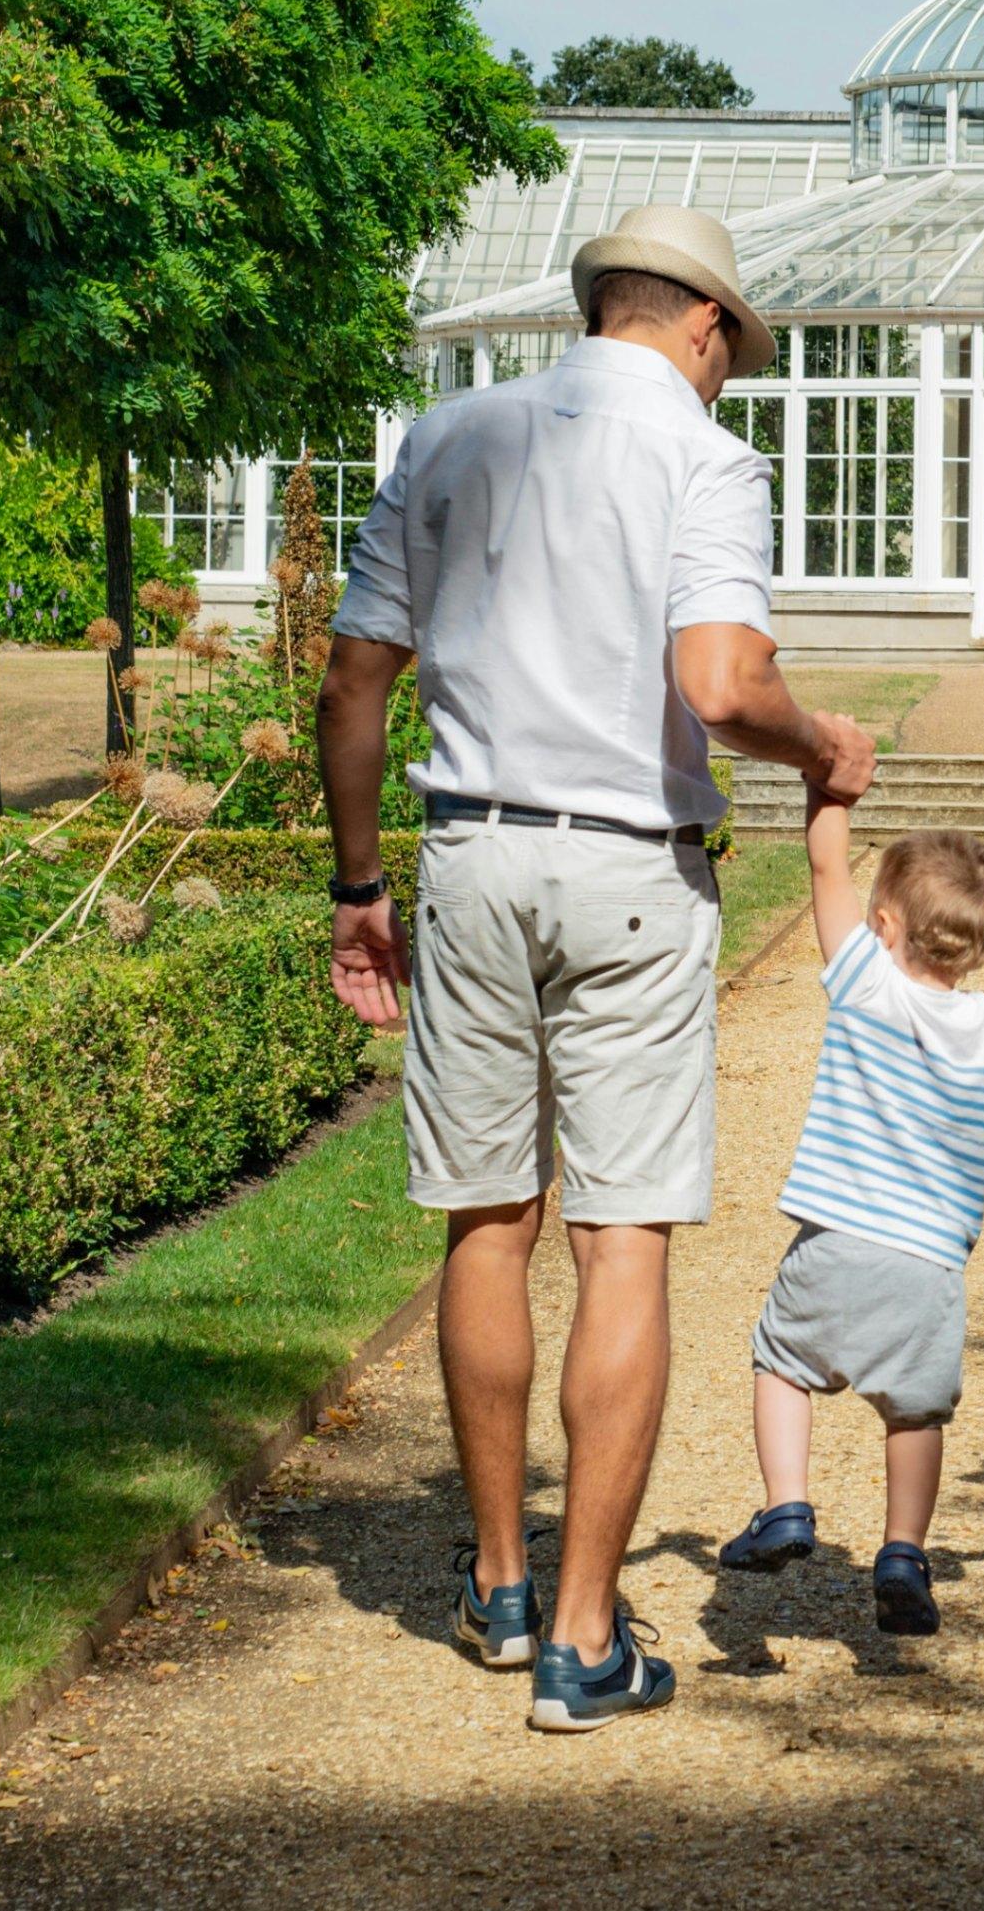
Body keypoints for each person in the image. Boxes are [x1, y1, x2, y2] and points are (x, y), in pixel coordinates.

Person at [318, 204, 877, 1735]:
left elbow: (354, 677)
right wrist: (819, 741)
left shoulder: (448, 434)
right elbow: (718, 682)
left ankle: (501, 1584)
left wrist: (360, 881)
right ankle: (583, 1633)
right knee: (619, 1239)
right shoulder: (697, 456)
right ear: (703, 325)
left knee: (483, 1219)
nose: (726, 378)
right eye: (731, 354)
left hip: (470, 853)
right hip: (627, 866)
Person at [718, 799, 984, 1635]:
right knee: (914, 1410)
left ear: (884, 922)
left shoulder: (864, 981)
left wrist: (831, 795)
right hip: (928, 1264)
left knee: (782, 1361)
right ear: (978, 944)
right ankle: (902, 1552)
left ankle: (786, 1504)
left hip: (836, 1238)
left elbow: (825, 870)